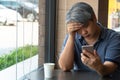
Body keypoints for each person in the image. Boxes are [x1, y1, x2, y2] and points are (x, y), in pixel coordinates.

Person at [58, 2, 120, 77]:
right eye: (78, 29)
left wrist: (98, 67)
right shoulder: (73, 36)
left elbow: (109, 69)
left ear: (94, 18)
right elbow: (65, 67)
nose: (84, 32)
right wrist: (71, 36)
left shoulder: (113, 38)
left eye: (86, 26)